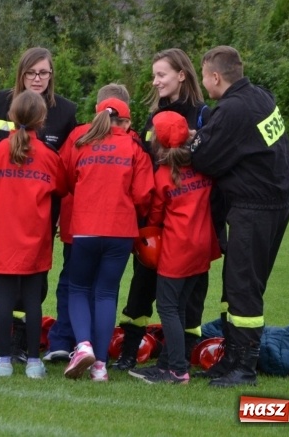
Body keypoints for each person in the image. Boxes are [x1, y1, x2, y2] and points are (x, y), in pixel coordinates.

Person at [189, 45, 289, 387]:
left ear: (216, 76)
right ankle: (232, 357)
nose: (204, 84)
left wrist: (193, 142)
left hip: (255, 207)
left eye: (204, 76)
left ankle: (243, 367)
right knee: (241, 284)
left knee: (243, 287)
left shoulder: (232, 109)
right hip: (275, 203)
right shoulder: (260, 97)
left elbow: (205, 159)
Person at [0, 47, 77, 361]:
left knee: (30, 285)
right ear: (21, 74)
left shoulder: (65, 111)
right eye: (31, 73)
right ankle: (1, 342)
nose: (37, 78)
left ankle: (17, 348)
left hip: (36, 217)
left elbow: (64, 173)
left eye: (43, 72)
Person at [114, 48, 212, 371]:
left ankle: (179, 358)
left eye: (161, 75)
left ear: (182, 75)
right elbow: (141, 158)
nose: (155, 82)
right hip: (155, 224)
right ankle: (130, 350)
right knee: (142, 286)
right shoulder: (152, 116)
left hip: (189, 226)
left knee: (187, 299)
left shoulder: (202, 114)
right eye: (154, 75)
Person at [62, 98, 154, 382]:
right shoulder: (134, 147)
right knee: (106, 294)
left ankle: (83, 345)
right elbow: (143, 195)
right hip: (121, 229)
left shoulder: (81, 142)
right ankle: (100, 365)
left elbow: (65, 179)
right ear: (125, 123)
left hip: (86, 227)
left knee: (77, 289)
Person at [129, 111, 221, 384]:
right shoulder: (202, 166)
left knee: (168, 308)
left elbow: (156, 216)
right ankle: (168, 363)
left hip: (176, 249)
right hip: (203, 246)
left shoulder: (163, 174)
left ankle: (177, 370)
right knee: (179, 308)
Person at [44, 83, 133, 363]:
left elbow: (63, 176)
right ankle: (94, 347)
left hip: (80, 223)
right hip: (115, 225)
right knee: (102, 289)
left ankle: (65, 341)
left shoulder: (79, 135)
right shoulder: (130, 141)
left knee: (72, 283)